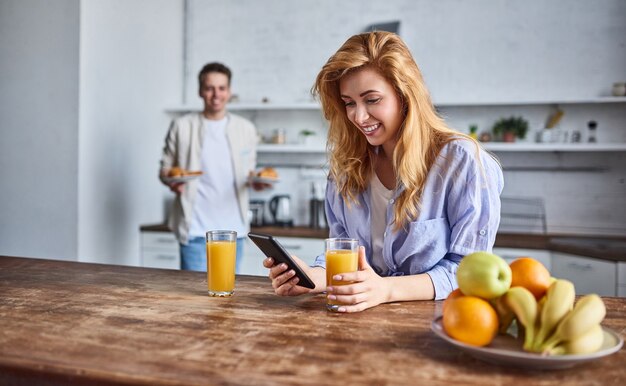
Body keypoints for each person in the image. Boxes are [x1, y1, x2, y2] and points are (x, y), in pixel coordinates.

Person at [263, 32, 503, 312]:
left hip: (433, 328)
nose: (359, 117)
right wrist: (312, 278)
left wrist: (386, 289)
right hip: (359, 325)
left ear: (404, 95)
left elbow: (469, 272)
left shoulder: (461, 162)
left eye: (372, 99)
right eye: (349, 103)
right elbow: (345, 254)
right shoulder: (345, 168)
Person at [160, 62, 265, 272]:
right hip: (195, 230)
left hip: (234, 231)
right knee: (195, 299)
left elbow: (249, 174)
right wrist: (172, 181)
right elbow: (166, 169)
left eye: (221, 88)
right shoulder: (182, 127)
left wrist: (257, 182)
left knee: (227, 296)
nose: (216, 94)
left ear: (229, 91)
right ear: (200, 91)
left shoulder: (246, 129)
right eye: (209, 88)